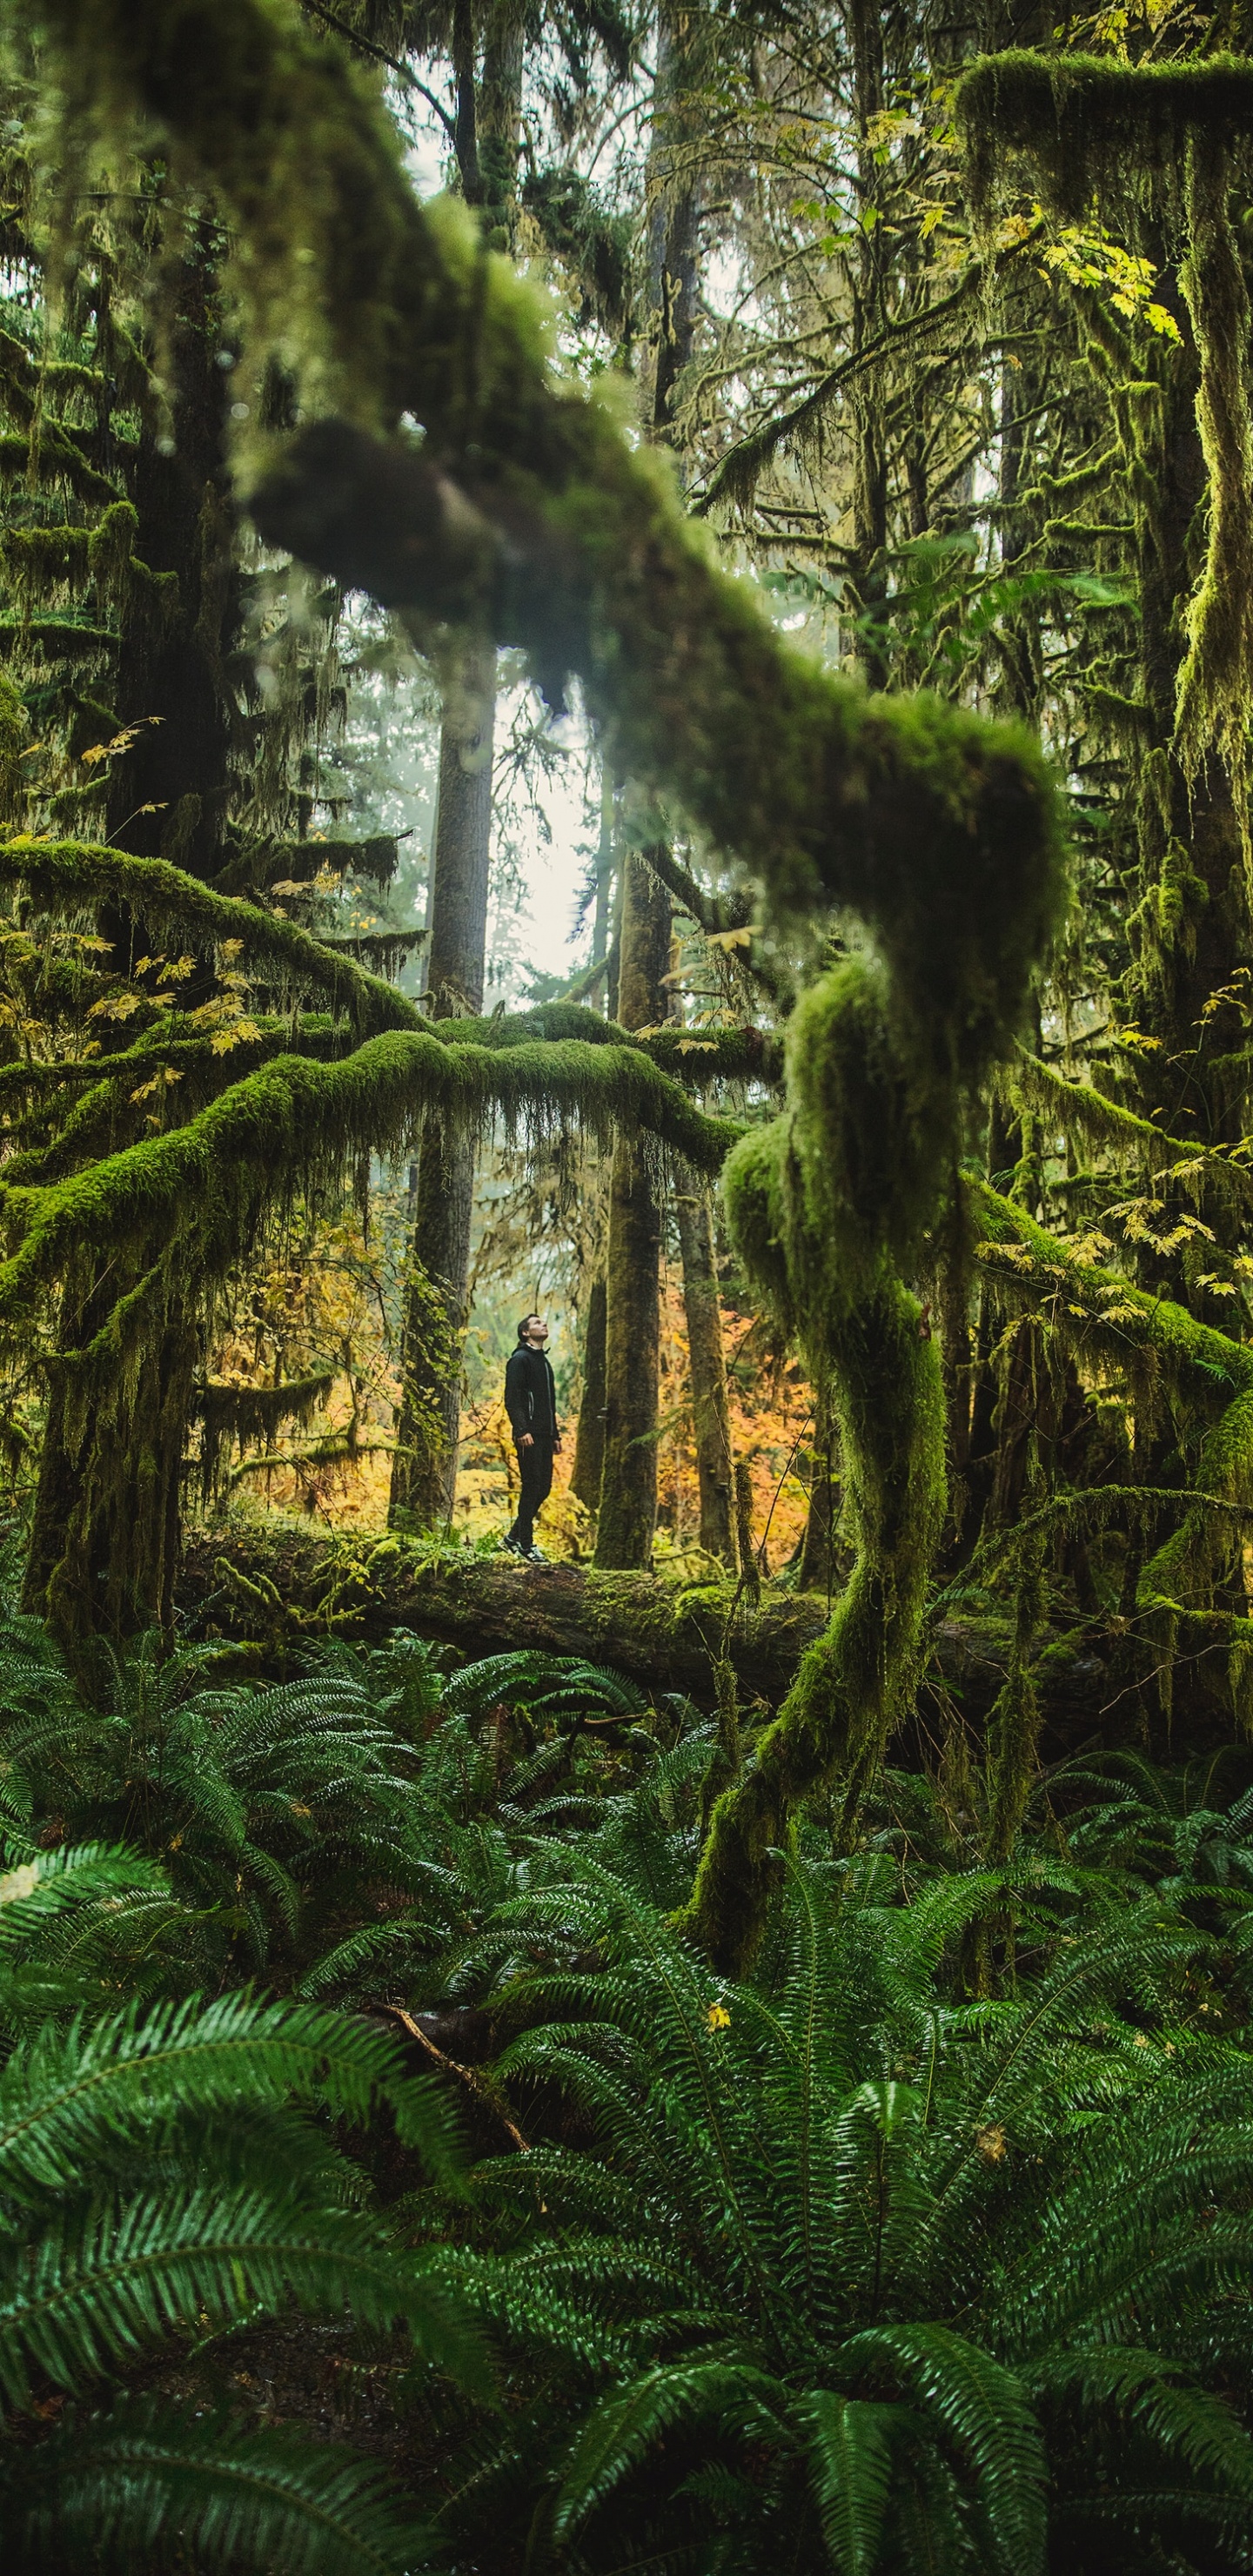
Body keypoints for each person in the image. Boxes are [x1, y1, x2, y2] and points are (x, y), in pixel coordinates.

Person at [503, 1311, 561, 1562]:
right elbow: (513, 1399)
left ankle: (512, 1538)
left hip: (545, 1435)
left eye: (543, 1322)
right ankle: (526, 1545)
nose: (543, 1324)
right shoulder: (520, 1360)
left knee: (544, 1488)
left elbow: (550, 1403)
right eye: (537, 1323)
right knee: (531, 1487)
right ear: (526, 1332)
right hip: (528, 1435)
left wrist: (555, 1434)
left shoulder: (544, 1362)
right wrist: (521, 1429)